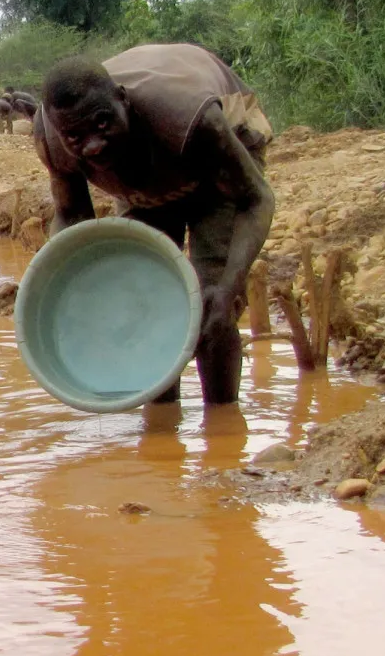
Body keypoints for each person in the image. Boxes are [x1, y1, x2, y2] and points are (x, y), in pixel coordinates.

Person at [36, 43, 275, 407]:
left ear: (122, 99)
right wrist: (72, 293)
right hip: (144, 179)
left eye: (103, 123)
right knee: (142, 300)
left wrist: (230, 287)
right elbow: (72, 216)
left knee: (210, 301)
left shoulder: (189, 117)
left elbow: (256, 199)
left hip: (219, 172)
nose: (94, 145)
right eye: (77, 138)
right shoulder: (54, 138)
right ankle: (162, 423)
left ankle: (223, 426)